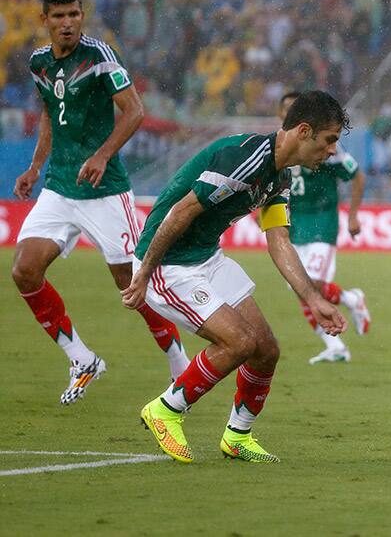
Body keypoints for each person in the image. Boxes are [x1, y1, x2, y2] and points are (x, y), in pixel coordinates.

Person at [122, 90, 348, 464]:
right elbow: (180, 213)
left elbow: (279, 241)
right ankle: (166, 409)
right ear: (304, 131)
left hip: (207, 258)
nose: (332, 151)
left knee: (266, 350)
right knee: (239, 342)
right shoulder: (245, 158)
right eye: (329, 140)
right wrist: (145, 272)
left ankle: (237, 436)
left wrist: (313, 298)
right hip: (168, 263)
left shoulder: (280, 176)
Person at [11, 0, 188, 405]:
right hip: (58, 187)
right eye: (58, 16)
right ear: (45, 20)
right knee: (24, 271)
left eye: (74, 15)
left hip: (104, 190)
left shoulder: (99, 56)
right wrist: (36, 167)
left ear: (82, 15)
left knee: (131, 285)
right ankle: (81, 359)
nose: (67, 23)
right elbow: (51, 118)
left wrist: (103, 155)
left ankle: (180, 365)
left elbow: (135, 110)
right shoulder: (38, 62)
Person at [278, 91, 371, 364]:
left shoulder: (325, 146)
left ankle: (350, 301)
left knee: (313, 285)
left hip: (321, 222)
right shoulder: (279, 146)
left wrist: (353, 216)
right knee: (299, 288)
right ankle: (337, 342)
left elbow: (356, 176)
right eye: (284, 110)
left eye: (292, 109)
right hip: (292, 226)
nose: (288, 114)